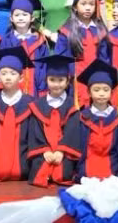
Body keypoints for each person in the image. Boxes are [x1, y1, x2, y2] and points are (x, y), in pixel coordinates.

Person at [54, 0, 110, 107]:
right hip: (74, 83)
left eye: (91, 4)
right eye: (83, 4)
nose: (88, 8)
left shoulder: (101, 31)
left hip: (96, 84)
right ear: (74, 7)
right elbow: (62, 59)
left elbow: (105, 59)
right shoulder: (66, 31)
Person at [27, 53, 81, 187]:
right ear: (46, 80)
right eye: (52, 80)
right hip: (43, 151)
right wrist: (44, 150)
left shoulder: (73, 106)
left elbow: (71, 132)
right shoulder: (37, 105)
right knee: (36, 170)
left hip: (64, 151)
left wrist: (61, 151)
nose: (56, 84)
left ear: (68, 81)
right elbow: (35, 131)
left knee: (65, 173)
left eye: (61, 80)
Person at [0, 47, 35, 182]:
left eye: (12, 73)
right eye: (4, 73)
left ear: (21, 78)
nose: (7, 77)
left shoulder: (30, 102)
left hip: (22, 162)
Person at [76, 59, 118, 179]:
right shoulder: (82, 117)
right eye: (96, 90)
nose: (101, 94)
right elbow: (79, 147)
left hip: (112, 168)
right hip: (86, 168)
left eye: (106, 90)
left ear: (112, 93)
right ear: (89, 93)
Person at [1, 0, 49, 97]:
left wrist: (42, 89)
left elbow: (44, 68)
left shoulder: (40, 42)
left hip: (35, 90)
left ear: (32, 18)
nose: (21, 18)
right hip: (11, 91)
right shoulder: (5, 41)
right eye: (17, 15)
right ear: (11, 18)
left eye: (25, 14)